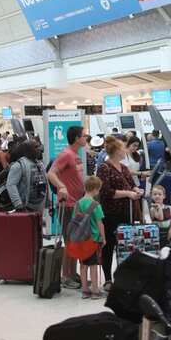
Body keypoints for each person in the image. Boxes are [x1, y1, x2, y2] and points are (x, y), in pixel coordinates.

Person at [96, 137, 143, 291]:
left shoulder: (123, 167)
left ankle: (123, 277)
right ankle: (108, 279)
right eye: (123, 148)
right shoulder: (104, 167)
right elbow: (105, 192)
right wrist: (128, 193)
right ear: (116, 151)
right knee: (108, 246)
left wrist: (136, 190)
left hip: (126, 213)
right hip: (110, 213)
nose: (125, 150)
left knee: (125, 246)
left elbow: (131, 184)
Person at [46, 126, 88, 290]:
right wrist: (61, 186)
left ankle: (72, 273)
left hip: (78, 204)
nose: (86, 139)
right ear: (77, 138)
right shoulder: (66, 155)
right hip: (68, 205)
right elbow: (51, 173)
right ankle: (65, 276)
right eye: (85, 136)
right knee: (70, 241)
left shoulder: (75, 156)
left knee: (77, 241)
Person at [76, 176, 106, 300]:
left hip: (81, 239)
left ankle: (84, 290)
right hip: (93, 238)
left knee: (83, 265)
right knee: (94, 265)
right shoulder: (95, 205)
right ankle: (95, 290)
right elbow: (100, 223)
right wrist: (103, 238)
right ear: (95, 190)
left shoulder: (78, 203)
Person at [5, 141, 47, 213]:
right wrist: (18, 204)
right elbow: (10, 185)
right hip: (25, 207)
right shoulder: (19, 165)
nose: (39, 149)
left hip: (39, 206)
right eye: (36, 147)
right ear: (28, 150)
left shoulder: (40, 164)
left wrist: (47, 202)